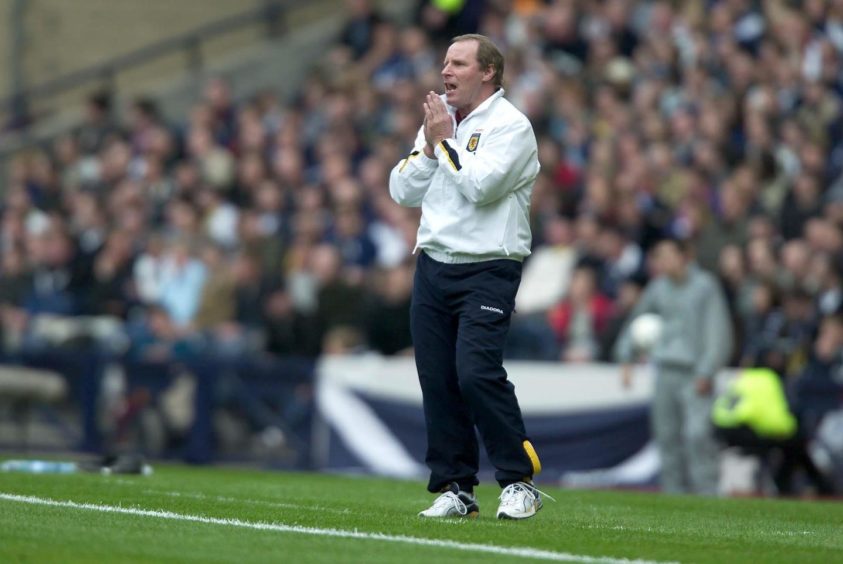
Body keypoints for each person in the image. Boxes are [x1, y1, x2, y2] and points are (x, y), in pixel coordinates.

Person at [389, 34, 543, 519]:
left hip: (488, 268)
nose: (446, 71)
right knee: (437, 380)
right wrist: (434, 146)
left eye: (458, 63)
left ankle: (519, 481)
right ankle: (456, 488)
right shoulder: (439, 125)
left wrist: (444, 142)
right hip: (433, 265)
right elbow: (401, 190)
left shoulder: (511, 126)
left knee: (475, 373)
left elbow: (481, 187)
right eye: (444, 63)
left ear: (488, 72)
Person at [615, 237, 733, 495]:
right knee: (667, 437)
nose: (664, 262)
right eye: (659, 256)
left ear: (684, 256)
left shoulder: (705, 286)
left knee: (697, 436)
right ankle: (674, 497)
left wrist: (707, 370)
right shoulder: (658, 288)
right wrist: (626, 356)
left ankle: (708, 496)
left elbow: (718, 333)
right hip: (665, 371)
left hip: (694, 373)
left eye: (669, 255)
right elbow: (636, 323)